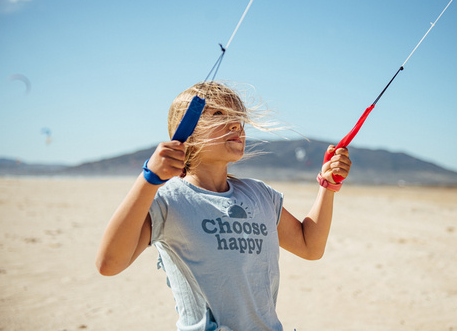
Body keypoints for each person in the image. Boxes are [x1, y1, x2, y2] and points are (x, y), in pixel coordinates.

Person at [95, 81, 352, 331]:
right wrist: (149, 179)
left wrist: (327, 186)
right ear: (186, 130)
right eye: (219, 114)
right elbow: (109, 264)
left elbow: (310, 247)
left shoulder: (260, 195)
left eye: (238, 116)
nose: (235, 124)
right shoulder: (169, 200)